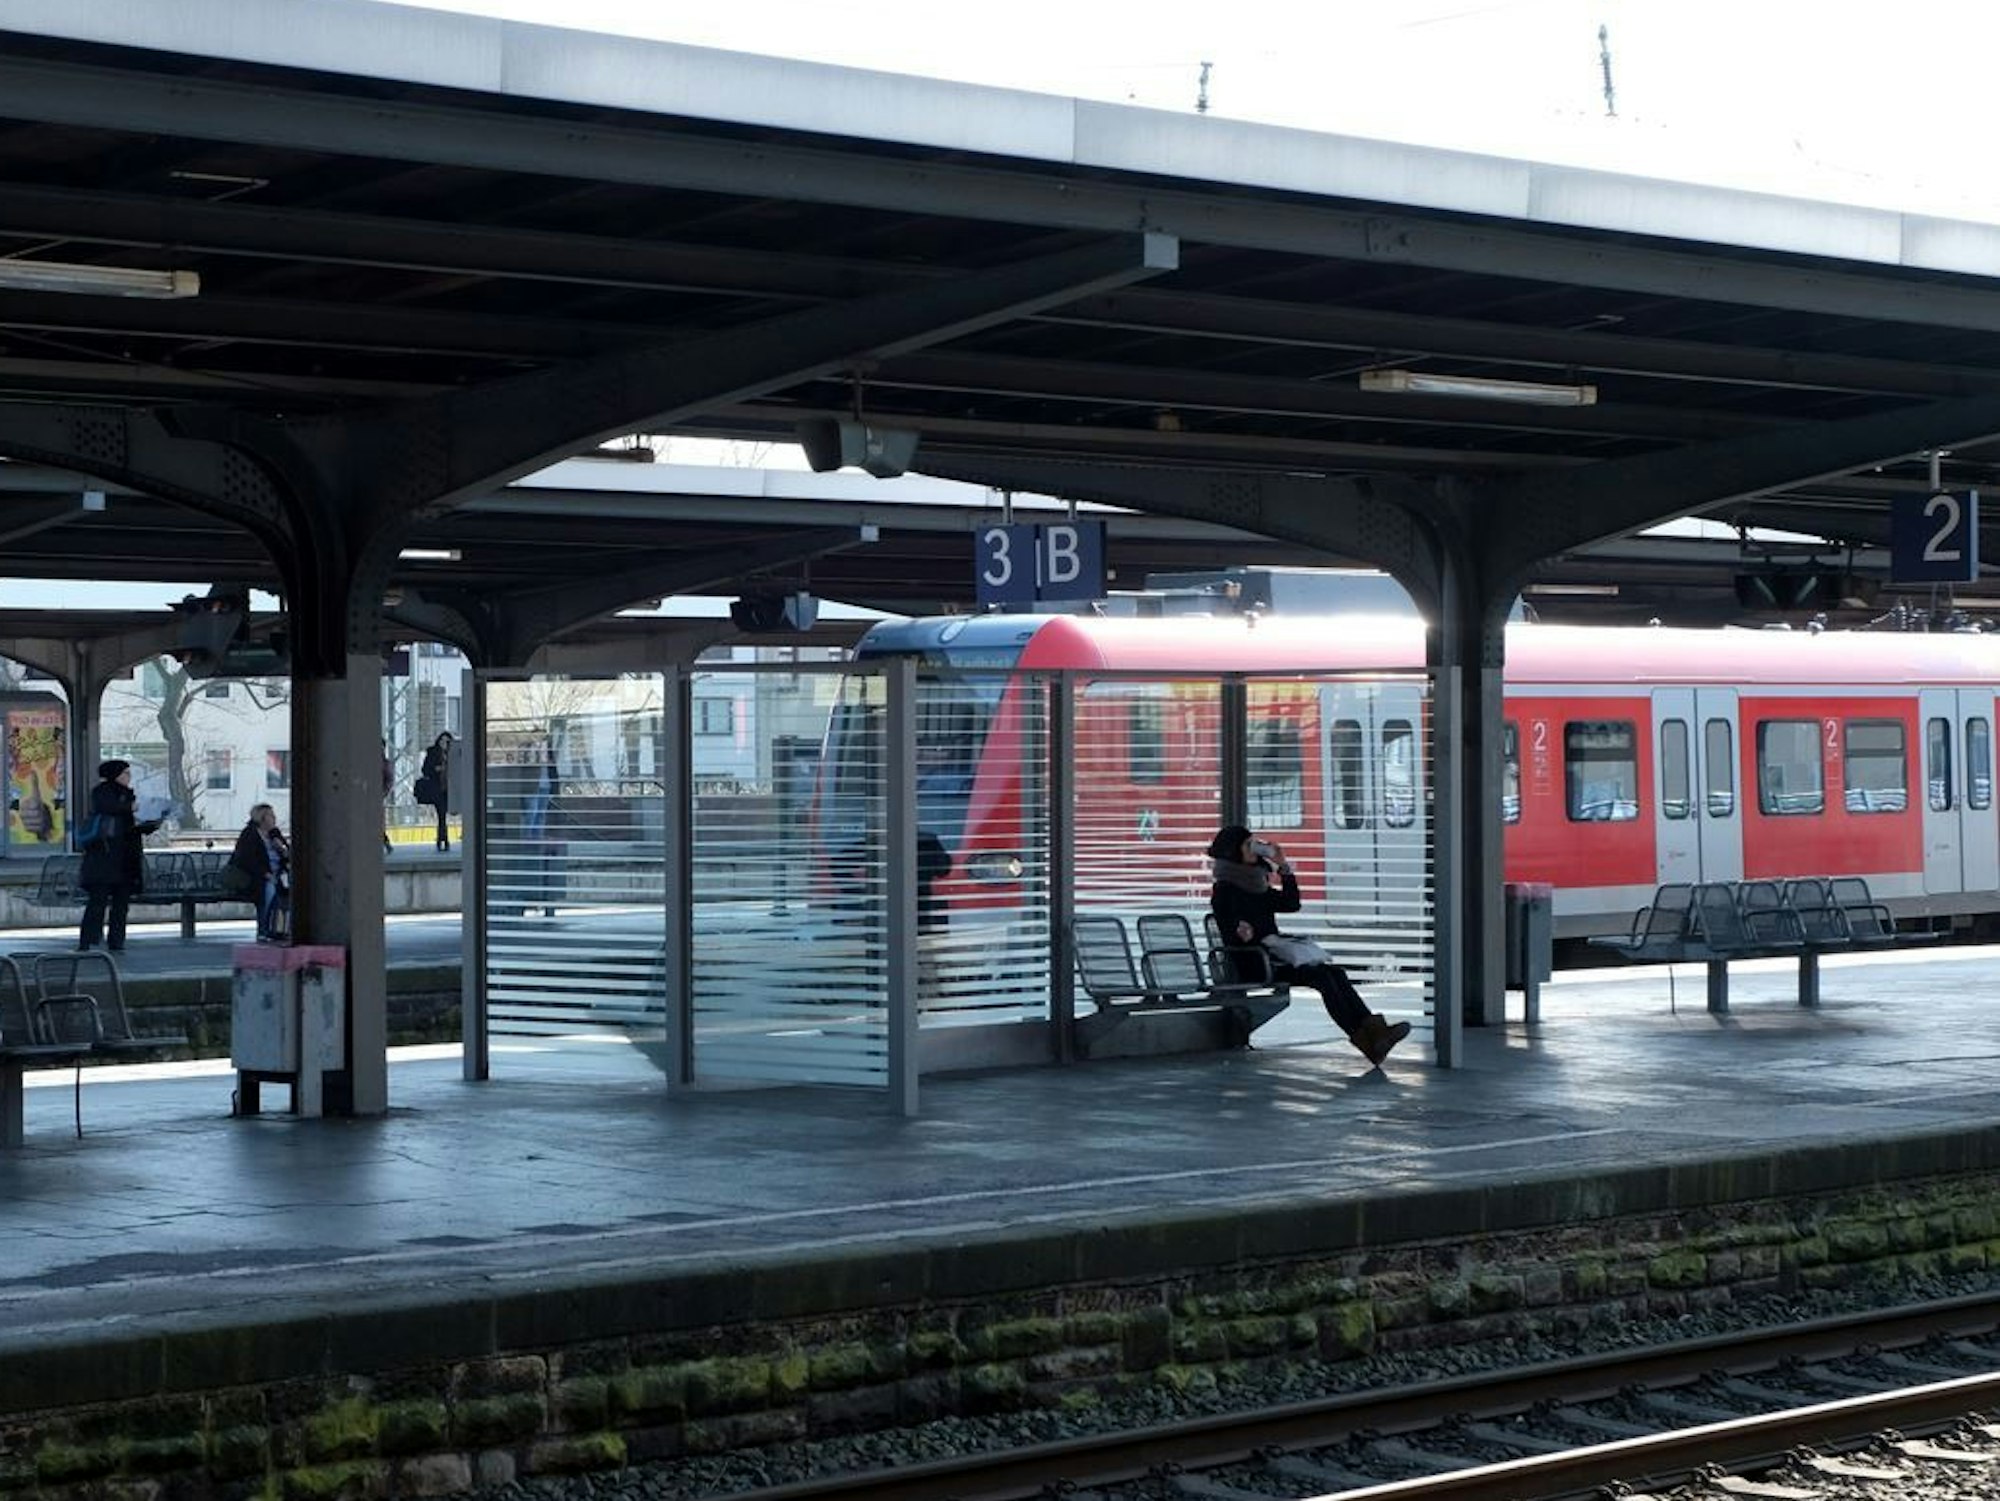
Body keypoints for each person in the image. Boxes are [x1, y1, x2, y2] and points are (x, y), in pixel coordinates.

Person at [1207, 822, 1411, 1067]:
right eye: (1249, 845)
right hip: (1254, 961)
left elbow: (1291, 904)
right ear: (1233, 851)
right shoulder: (1226, 890)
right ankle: (1369, 1041)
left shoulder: (1255, 884)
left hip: (1272, 955)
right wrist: (1243, 931)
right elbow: (1231, 930)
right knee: (1322, 978)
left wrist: (1283, 867)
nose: (1256, 849)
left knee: (1334, 973)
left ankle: (1375, 1035)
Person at [77, 759, 161, 954]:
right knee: (98, 902)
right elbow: (107, 808)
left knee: (121, 904)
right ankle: (88, 941)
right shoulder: (103, 793)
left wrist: (149, 826)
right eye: (125, 774)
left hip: (125, 859)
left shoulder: (128, 796)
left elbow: (130, 828)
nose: (129, 778)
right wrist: (129, 808)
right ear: (116, 775)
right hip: (104, 859)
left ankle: (116, 941)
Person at [227, 803, 292, 942]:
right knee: (269, 891)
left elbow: (287, 855)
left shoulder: (275, 834)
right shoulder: (250, 834)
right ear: (262, 818)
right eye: (271, 816)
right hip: (255, 877)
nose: (274, 818)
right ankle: (264, 928)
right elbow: (247, 860)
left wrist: (282, 849)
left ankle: (282, 928)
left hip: (278, 874)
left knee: (287, 891)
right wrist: (266, 874)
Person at [418, 731, 454, 851]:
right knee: (441, 814)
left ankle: (442, 840)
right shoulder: (433, 753)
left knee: (442, 815)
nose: (444, 743)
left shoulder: (453, 753)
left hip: (450, 788)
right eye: (442, 741)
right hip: (437, 788)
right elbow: (425, 769)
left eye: (447, 741)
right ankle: (443, 840)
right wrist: (436, 769)